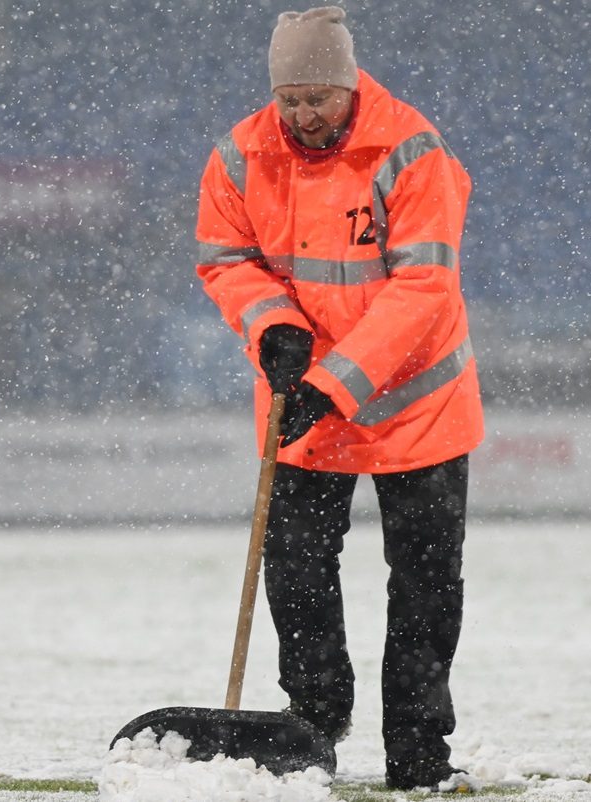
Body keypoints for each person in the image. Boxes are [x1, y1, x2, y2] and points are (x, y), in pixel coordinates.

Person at [194, 6, 484, 792]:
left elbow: (423, 286)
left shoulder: (411, 150)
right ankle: (313, 727)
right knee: (294, 572)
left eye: (318, 98)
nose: (303, 115)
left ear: (350, 84)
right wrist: (272, 326)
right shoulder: (238, 155)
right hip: (302, 397)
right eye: (290, 100)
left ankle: (419, 751)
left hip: (416, 405)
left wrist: (334, 382)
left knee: (426, 586)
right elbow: (225, 261)